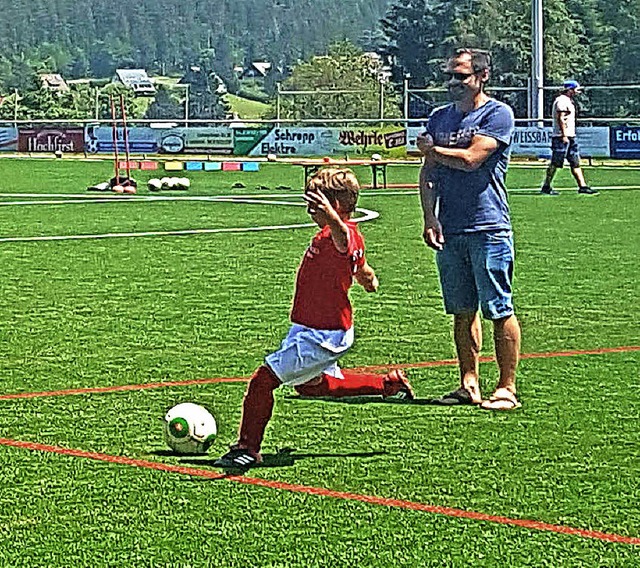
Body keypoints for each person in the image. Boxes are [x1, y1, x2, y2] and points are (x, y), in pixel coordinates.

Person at [214, 168, 414, 469]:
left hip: (323, 334)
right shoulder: (346, 237)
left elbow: (343, 236)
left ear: (335, 205)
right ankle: (388, 385)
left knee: (262, 381)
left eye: (316, 201)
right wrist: (369, 281)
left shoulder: (339, 235)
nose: (310, 207)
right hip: (312, 329)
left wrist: (332, 218)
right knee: (312, 386)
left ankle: (247, 448)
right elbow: (362, 268)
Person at [417, 48, 522, 411]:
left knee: (499, 309)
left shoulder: (498, 114)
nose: (453, 83)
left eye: (460, 76)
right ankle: (469, 383)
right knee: (462, 311)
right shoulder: (438, 118)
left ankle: (506, 388)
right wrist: (430, 217)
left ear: (482, 76)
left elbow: (471, 160)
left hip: (489, 226)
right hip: (452, 229)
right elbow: (429, 174)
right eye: (449, 75)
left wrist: (433, 151)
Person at [540, 80, 598, 195]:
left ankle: (583, 186)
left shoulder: (568, 101)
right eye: (576, 89)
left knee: (575, 162)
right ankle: (546, 186)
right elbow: (560, 118)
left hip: (571, 136)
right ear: (570, 90)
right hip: (562, 137)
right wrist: (564, 135)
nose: (578, 92)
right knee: (555, 163)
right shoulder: (561, 101)